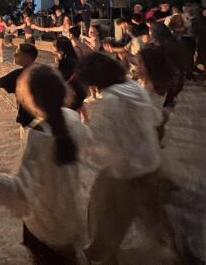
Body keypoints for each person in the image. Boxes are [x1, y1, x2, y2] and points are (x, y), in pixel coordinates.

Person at [0, 64, 89, 264]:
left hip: (46, 227)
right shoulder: (73, 119)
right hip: (74, 218)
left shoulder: (38, 135)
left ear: (31, 100)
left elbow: (20, 190)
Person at [75, 53, 176, 263]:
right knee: (152, 213)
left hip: (127, 170)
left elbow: (106, 144)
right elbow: (155, 118)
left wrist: (84, 142)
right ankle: (177, 250)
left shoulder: (112, 101)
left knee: (103, 214)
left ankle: (100, 254)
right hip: (149, 161)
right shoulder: (132, 87)